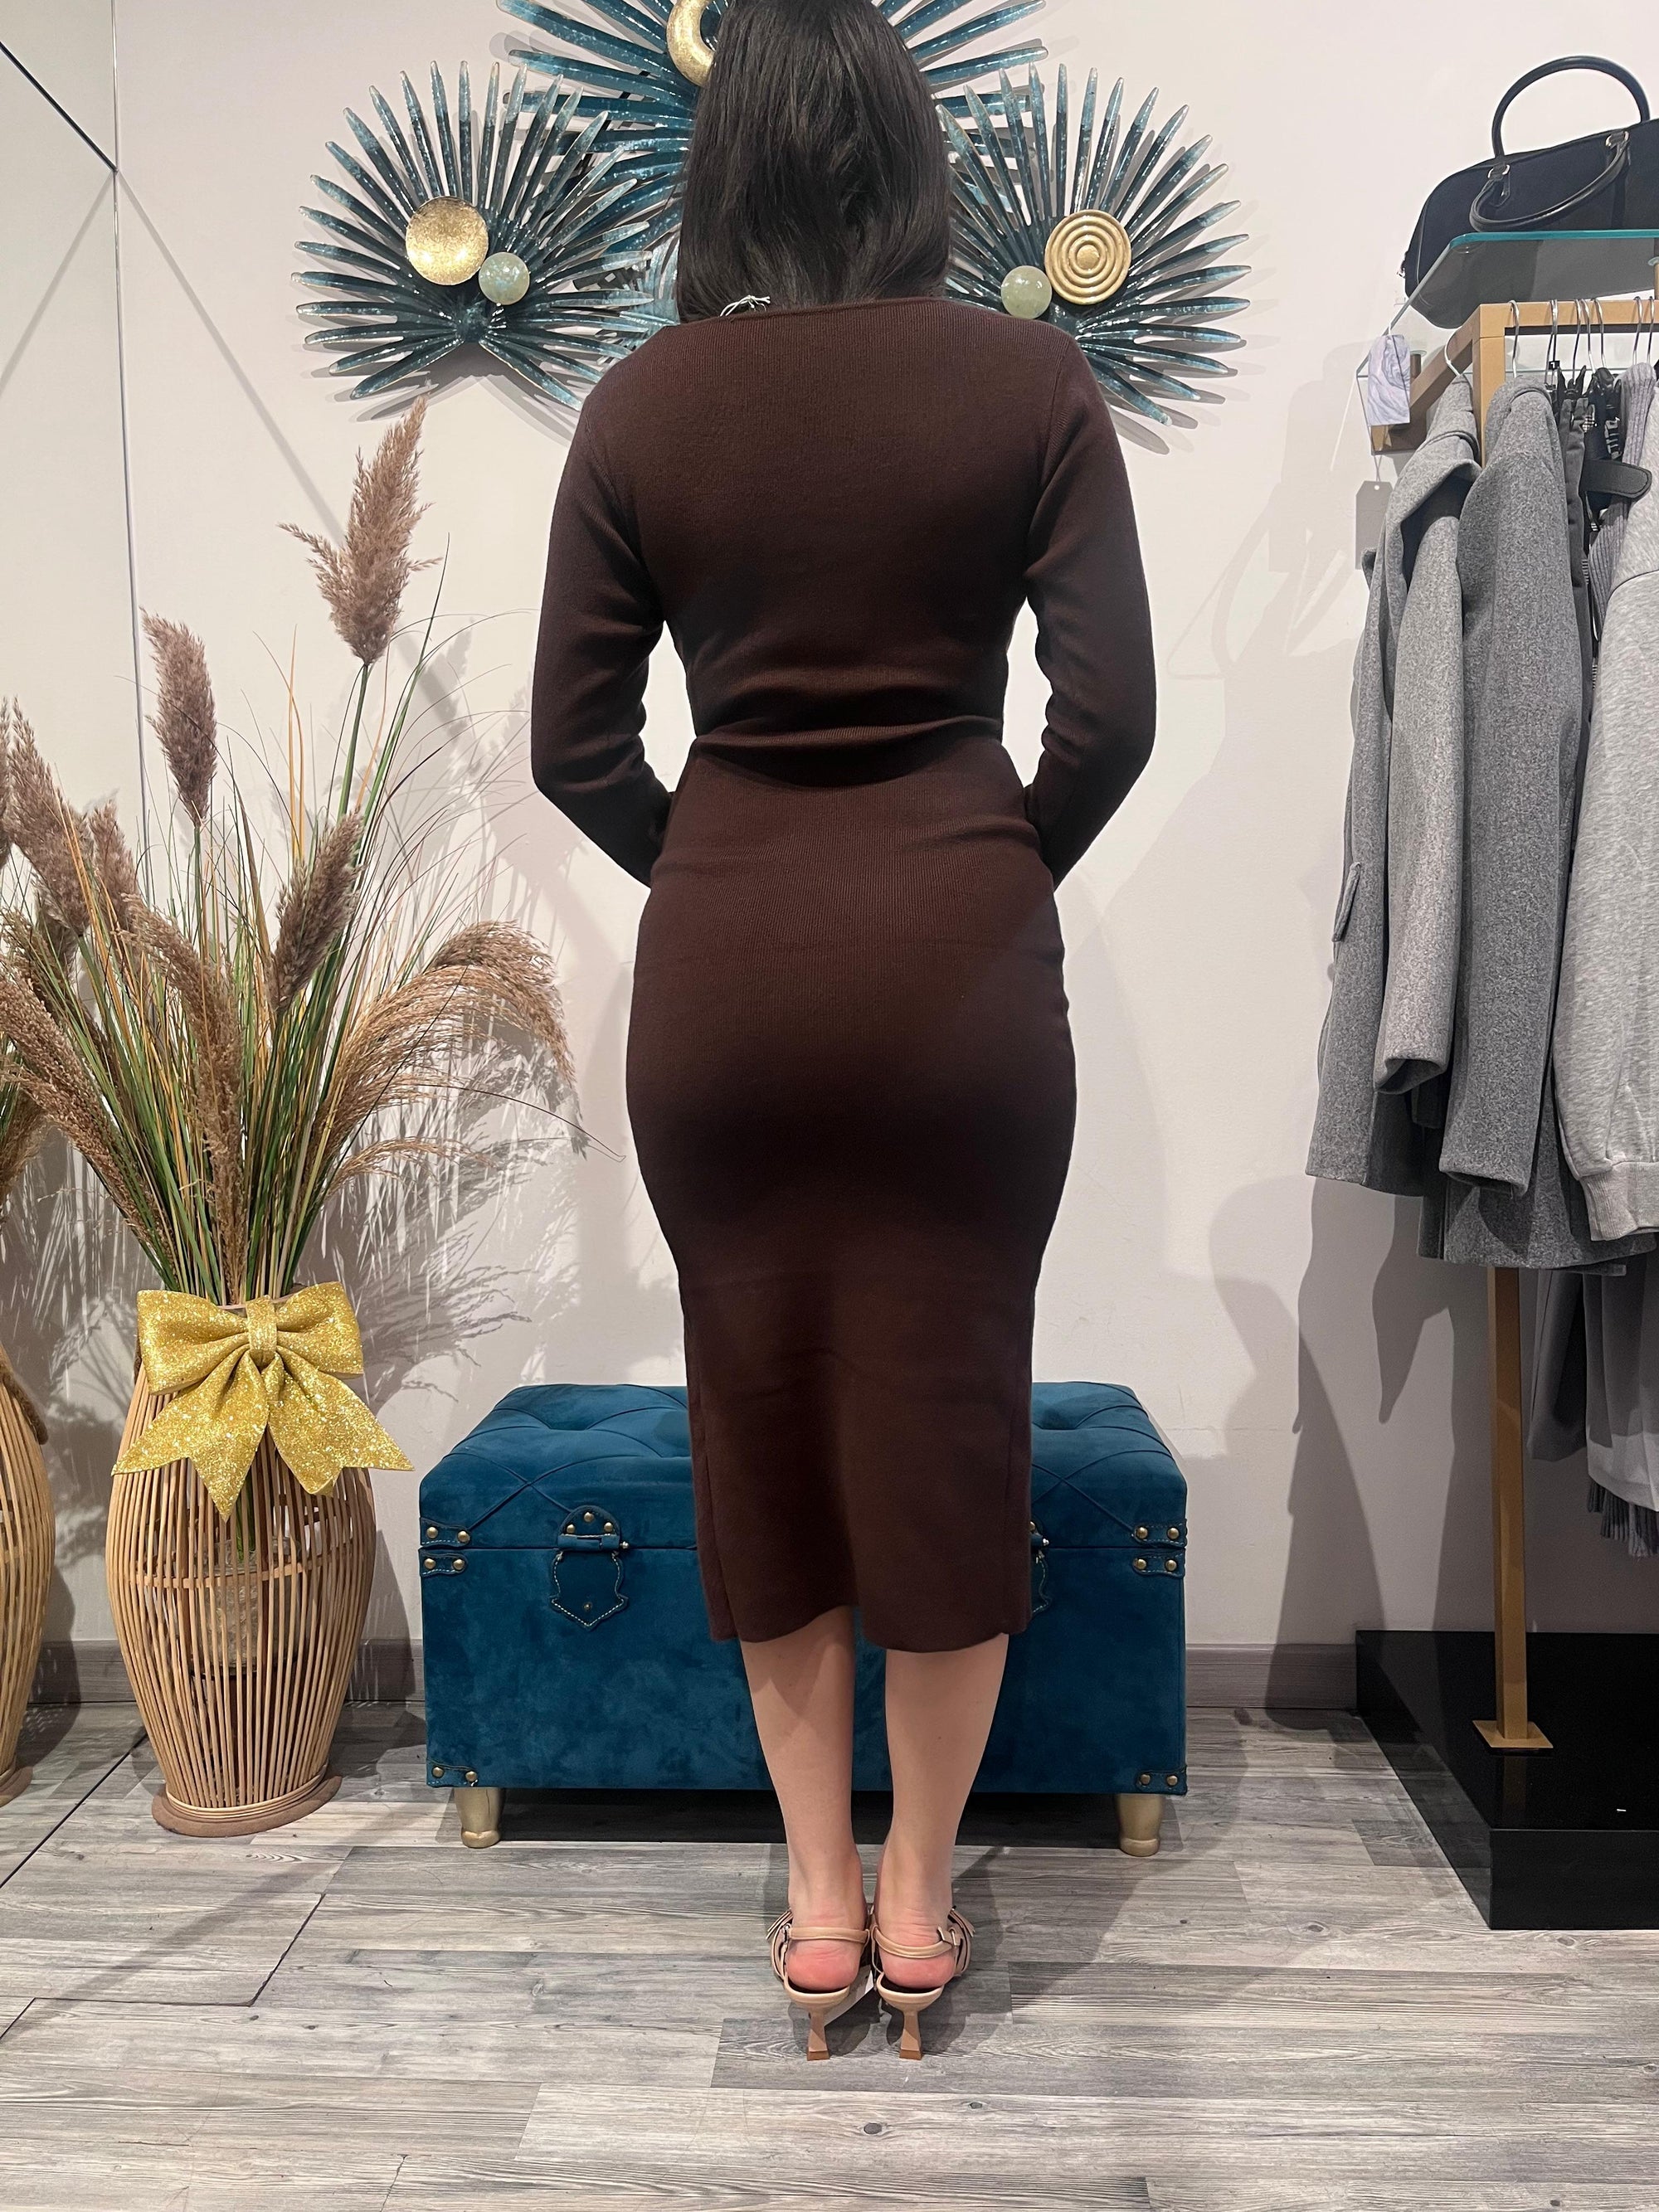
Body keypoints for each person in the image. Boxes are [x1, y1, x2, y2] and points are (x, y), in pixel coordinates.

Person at [532, 0, 1155, 2062]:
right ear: (911, 159)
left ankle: (811, 1900)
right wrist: (979, 866)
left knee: (765, 1419)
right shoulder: (1030, 379)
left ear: (724, 173)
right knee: (951, 1423)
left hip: (727, 989)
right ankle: (916, 1896)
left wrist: (722, 870)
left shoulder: (640, 405)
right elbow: (1111, 714)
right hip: (958, 985)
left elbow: (572, 746)